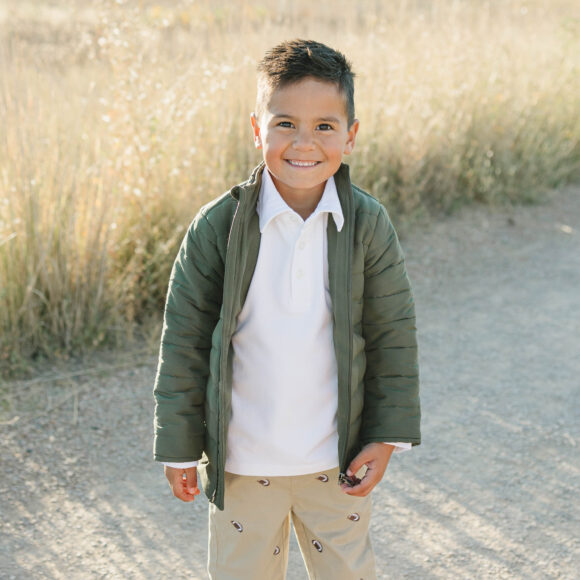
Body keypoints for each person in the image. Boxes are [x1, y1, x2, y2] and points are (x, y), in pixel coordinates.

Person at [153, 39, 420, 579]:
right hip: (244, 469)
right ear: (257, 130)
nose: (304, 142)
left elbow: (392, 335)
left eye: (325, 125)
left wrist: (386, 435)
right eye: (284, 124)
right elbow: (183, 340)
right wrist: (179, 447)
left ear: (351, 135)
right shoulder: (217, 227)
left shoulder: (366, 225)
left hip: (334, 465)